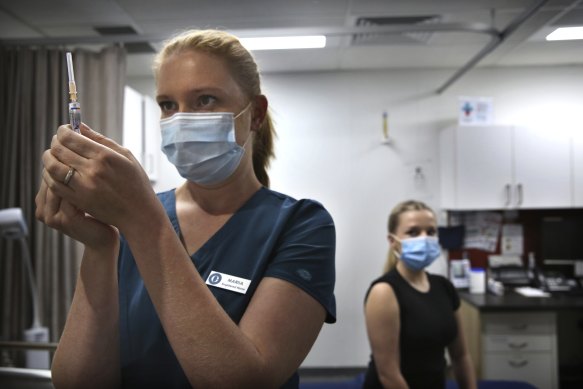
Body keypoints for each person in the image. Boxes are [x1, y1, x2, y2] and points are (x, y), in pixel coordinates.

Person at [35, 29, 336, 388]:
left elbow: (242, 382)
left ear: (254, 114)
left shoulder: (300, 225)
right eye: (168, 105)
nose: (181, 119)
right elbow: (77, 383)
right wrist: (100, 248)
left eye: (205, 100)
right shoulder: (128, 224)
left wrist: (142, 220)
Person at [362, 200, 476, 389]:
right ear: (393, 241)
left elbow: (461, 356)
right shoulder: (384, 292)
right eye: (413, 232)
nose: (424, 238)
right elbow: (388, 374)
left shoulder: (444, 287)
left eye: (431, 232)